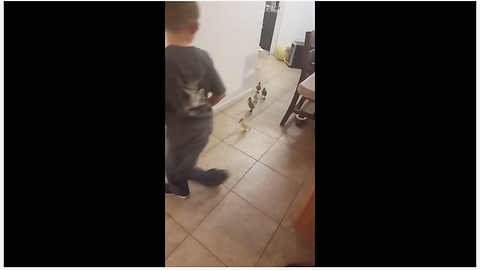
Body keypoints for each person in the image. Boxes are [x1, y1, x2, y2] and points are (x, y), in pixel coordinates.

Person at [165, 1, 229, 199]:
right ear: (195, 27)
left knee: (174, 166)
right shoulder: (203, 57)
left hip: (180, 133)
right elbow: (220, 94)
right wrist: (203, 105)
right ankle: (197, 179)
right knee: (182, 161)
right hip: (203, 127)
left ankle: (185, 188)